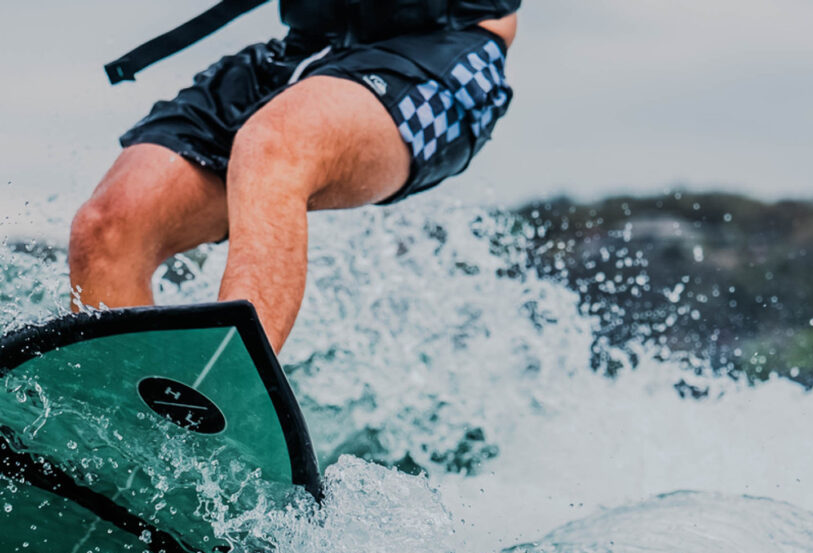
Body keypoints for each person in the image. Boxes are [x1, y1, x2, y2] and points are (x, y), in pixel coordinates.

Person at [70, 1, 521, 351]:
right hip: (309, 49)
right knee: (109, 227)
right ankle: (120, 427)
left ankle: (220, 392)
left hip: (443, 52)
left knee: (273, 144)